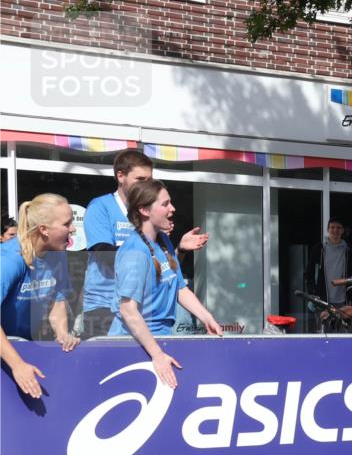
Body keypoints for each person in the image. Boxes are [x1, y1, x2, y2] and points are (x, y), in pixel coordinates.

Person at [81, 149, 208, 338]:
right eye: (140, 179)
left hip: (144, 305)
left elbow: (164, 271)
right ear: (120, 176)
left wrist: (177, 249)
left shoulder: (155, 226)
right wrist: (148, 244)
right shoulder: (100, 207)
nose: (146, 184)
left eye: (149, 179)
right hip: (105, 304)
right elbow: (104, 256)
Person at [109, 179, 222, 388]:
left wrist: (207, 318)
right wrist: (157, 355)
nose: (173, 208)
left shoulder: (164, 241)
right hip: (133, 347)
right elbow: (128, 310)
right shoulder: (135, 252)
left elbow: (179, 288)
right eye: (165, 204)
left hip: (160, 340)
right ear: (144, 210)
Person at [0, 194, 80, 398]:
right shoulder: (10, 260)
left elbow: (56, 297)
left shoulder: (57, 255)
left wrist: (62, 333)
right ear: (44, 229)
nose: (73, 229)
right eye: (67, 224)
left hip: (21, 346)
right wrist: (17, 365)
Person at [307, 218, 352, 331]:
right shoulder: (319, 249)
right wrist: (312, 293)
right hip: (323, 299)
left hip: (343, 299)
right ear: (328, 230)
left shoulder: (348, 250)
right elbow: (309, 273)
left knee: (343, 332)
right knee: (323, 332)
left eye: (338, 227)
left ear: (343, 230)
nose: (335, 230)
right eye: (332, 227)